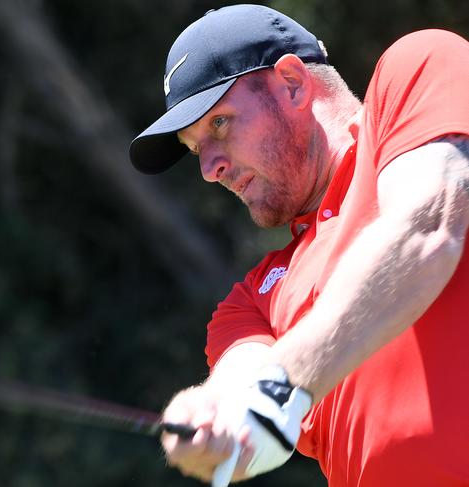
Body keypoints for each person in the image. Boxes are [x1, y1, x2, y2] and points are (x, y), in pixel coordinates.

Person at [129, 5, 469, 487]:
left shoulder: (415, 71)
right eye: (194, 148)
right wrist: (213, 417)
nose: (209, 168)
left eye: (219, 124)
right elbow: (242, 396)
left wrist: (281, 383)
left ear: (292, 82)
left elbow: (425, 231)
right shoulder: (249, 303)